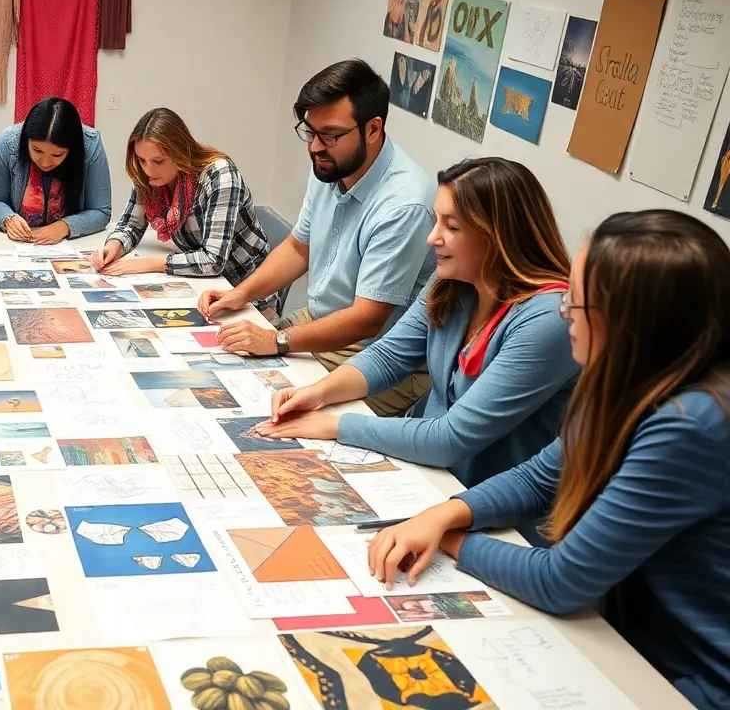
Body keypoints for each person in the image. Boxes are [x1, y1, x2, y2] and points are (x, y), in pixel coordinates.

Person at [367, 210, 730, 710]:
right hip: (627, 645)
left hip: (688, 681)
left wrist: (448, 538)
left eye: (576, 301)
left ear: (632, 322)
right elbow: (540, 479)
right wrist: (444, 513)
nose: (564, 314)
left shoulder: (690, 425)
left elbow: (558, 581)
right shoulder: (632, 380)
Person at [255, 158, 578, 497]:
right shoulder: (454, 281)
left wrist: (335, 426)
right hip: (430, 477)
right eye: (437, 221)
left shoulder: (548, 320)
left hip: (489, 503)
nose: (432, 238)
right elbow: (388, 357)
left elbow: (450, 440)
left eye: (452, 227)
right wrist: (318, 393)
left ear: (500, 235)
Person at [200, 59, 436, 417]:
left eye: (330, 135)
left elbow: (366, 319)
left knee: (274, 419)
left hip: (374, 352)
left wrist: (276, 340)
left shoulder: (405, 205)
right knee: (220, 371)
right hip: (317, 321)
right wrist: (240, 294)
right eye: (309, 132)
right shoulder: (331, 163)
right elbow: (299, 247)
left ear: (373, 129)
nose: (314, 147)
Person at [90, 108, 273, 312]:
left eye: (158, 161)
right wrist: (113, 246)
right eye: (141, 160)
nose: (148, 169)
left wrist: (150, 265)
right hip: (203, 286)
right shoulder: (148, 177)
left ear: (180, 151)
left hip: (247, 295)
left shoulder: (220, 176)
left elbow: (213, 261)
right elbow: (131, 225)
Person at [0, 96, 112, 244]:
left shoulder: (91, 145)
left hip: (71, 244)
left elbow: (101, 211)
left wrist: (65, 226)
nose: (45, 163)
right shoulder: (8, 142)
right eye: (37, 150)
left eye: (57, 155)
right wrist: (8, 218)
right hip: (17, 243)